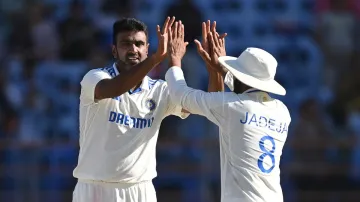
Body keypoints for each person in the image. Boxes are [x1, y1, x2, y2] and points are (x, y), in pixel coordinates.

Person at [165, 22, 291, 202]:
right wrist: (221, 70)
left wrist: (175, 60)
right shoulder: (282, 111)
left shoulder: (231, 106)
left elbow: (180, 95)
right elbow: (239, 99)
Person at [72, 17, 193, 202]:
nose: (133, 49)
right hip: (95, 188)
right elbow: (112, 89)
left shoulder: (158, 90)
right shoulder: (95, 77)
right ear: (114, 50)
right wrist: (155, 59)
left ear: (146, 48)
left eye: (139, 44)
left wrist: (176, 61)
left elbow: (189, 105)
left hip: (140, 190)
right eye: (126, 44)